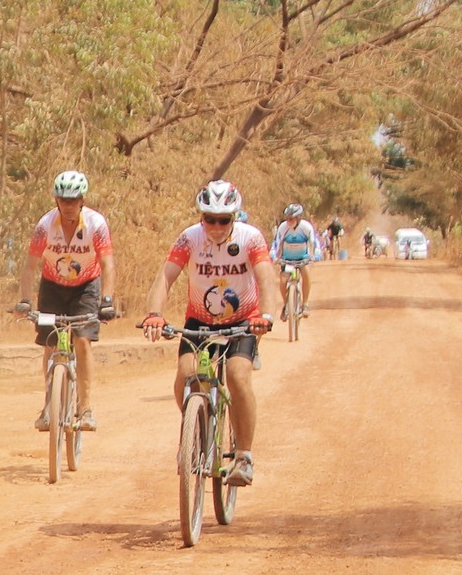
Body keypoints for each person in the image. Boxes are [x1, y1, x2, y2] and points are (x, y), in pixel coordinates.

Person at [136, 179, 280, 487]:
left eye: (223, 219)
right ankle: (195, 429)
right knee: (186, 375)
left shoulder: (250, 238)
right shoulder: (189, 239)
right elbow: (165, 276)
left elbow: (266, 279)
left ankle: (243, 455)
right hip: (199, 322)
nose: (215, 226)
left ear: (234, 217)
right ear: (202, 217)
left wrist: (265, 316)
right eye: (209, 219)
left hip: (243, 320)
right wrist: (155, 314)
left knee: (238, 376)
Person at [16, 169, 115, 431]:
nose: (69, 206)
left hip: (86, 289)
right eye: (64, 200)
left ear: (82, 199)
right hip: (52, 289)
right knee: (50, 340)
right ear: (56, 200)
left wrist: (107, 300)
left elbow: (107, 264)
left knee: (82, 341)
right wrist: (25, 301)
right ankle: (50, 404)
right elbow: (29, 268)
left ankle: (85, 409)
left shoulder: (96, 224)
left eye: (74, 200)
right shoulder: (44, 226)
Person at [274, 203, 323, 309]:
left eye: (291, 219)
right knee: (283, 281)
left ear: (298, 218)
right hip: (287, 260)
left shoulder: (306, 227)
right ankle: (286, 304)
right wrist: (273, 254)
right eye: (287, 218)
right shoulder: (283, 228)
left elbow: (314, 242)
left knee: (306, 273)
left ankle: (305, 303)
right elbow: (276, 243)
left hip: (303, 259)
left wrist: (317, 253)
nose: (289, 221)